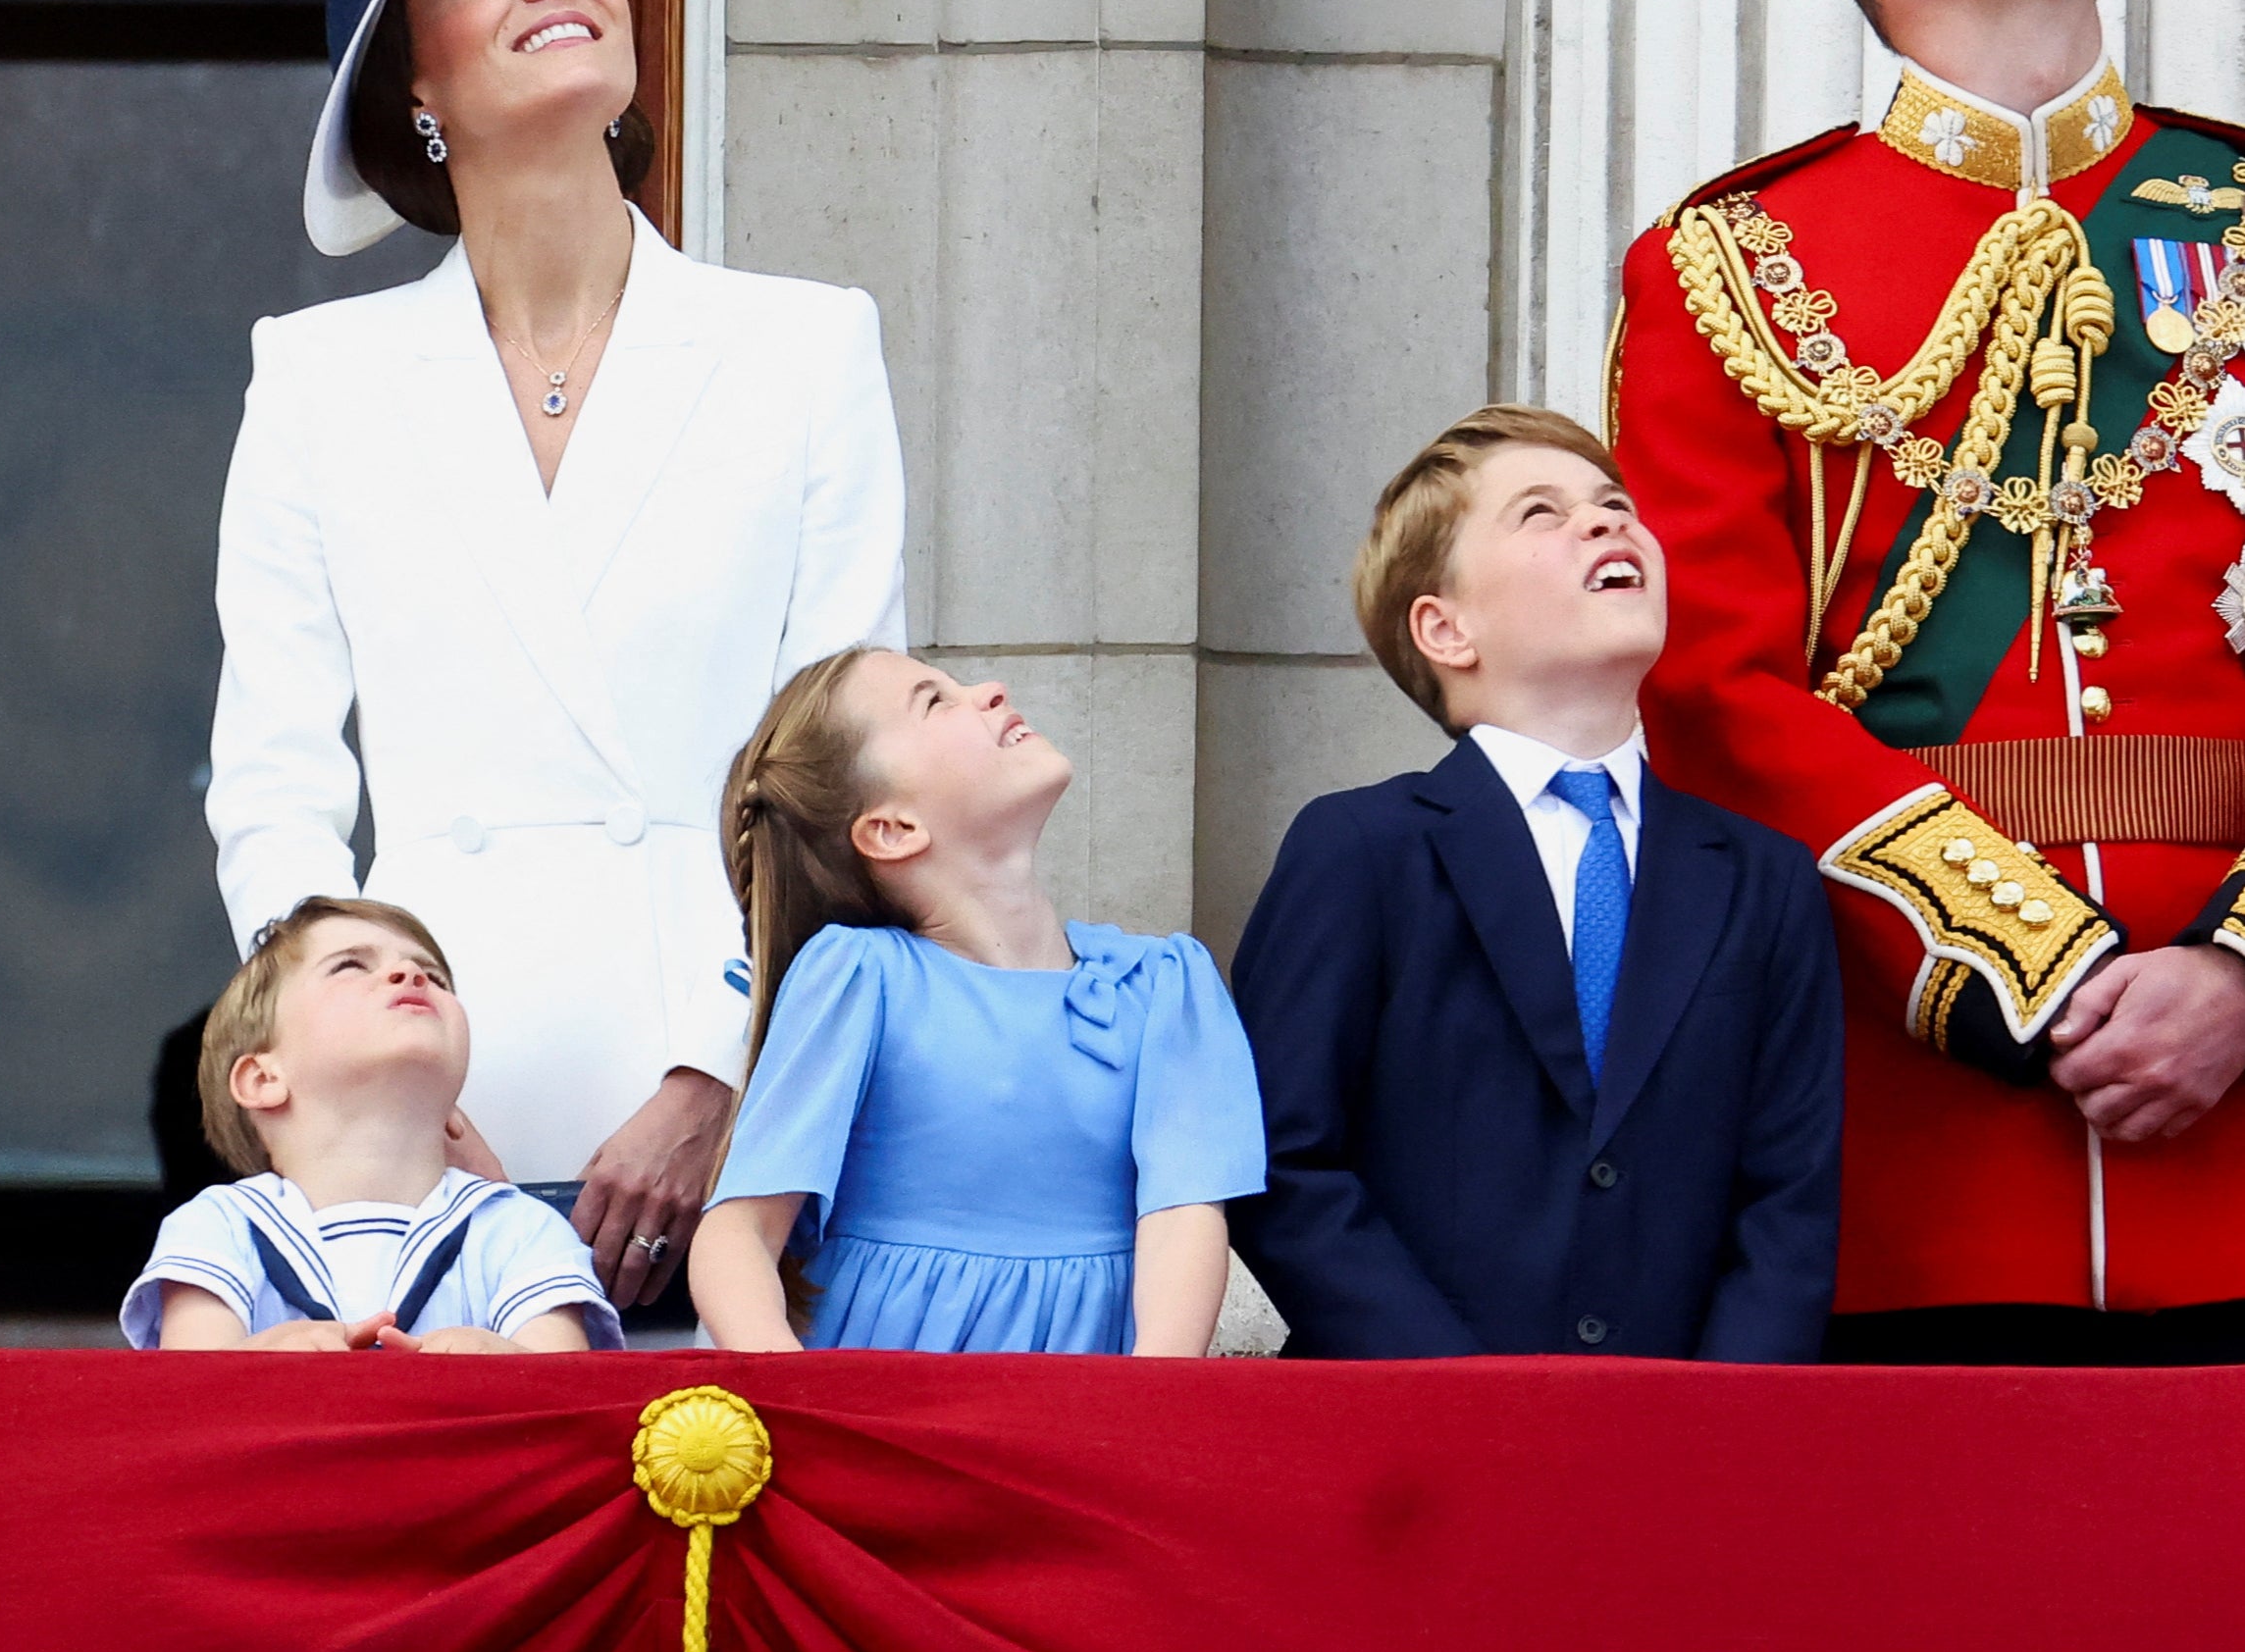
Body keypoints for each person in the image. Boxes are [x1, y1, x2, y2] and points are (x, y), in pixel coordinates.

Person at [207, 0, 904, 1329]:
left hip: (746, 1127)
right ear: (418, 91)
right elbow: (277, 783)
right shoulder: (315, 381)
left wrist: (716, 1072)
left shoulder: (805, 348)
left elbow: (841, 767)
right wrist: (358, 1090)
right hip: (420, 1135)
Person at [1618, 0, 2245, 1362]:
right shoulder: (1731, 264)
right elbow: (1707, 689)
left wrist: (2235, 974)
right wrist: (2028, 967)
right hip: (1916, 1145)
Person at [1231, 410, 1841, 1360]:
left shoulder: (1764, 880)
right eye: (1541, 513)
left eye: (1614, 504)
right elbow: (1280, 1159)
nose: (1606, 523)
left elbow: (1788, 1201)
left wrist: (1724, 1423)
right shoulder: (1361, 851)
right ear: (1445, 626)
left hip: (1684, 1451)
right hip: (1419, 1440)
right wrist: (1462, 1393)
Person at [688, 653, 1260, 1356]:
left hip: (1082, 1410)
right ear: (892, 828)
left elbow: (1183, 1218)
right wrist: (796, 1402)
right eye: (934, 701)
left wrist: (1143, 1410)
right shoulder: (859, 976)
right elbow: (738, 1232)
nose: (990, 691)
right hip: (885, 1399)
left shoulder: (1166, 984)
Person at [127, 897, 614, 1353]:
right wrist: (260, 1365)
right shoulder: (217, 1228)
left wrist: (507, 1365)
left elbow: (565, 1396)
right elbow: (188, 1394)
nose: (410, 974)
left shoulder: (520, 1229)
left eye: (435, 976)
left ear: (453, 1108)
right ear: (263, 1077)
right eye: (351, 965)